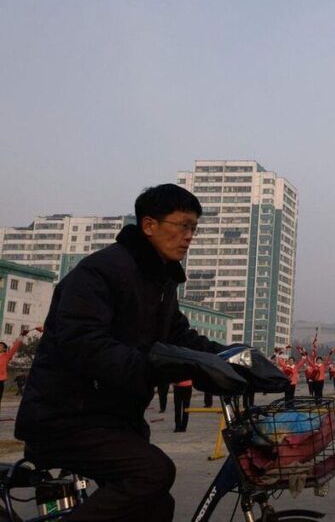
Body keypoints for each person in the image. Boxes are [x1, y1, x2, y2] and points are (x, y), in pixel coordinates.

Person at [15, 184, 227, 521]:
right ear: (149, 225)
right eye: (183, 225)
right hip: (65, 418)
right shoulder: (100, 272)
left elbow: (181, 336)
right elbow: (83, 343)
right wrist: (153, 366)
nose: (189, 236)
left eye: (194, 228)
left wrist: (233, 357)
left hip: (113, 419)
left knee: (156, 506)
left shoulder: (161, 283)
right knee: (153, 473)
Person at [0, 326, 33, 412]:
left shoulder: (6, 356)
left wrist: (21, 335)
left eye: (1, 346)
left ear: (4, 349)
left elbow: (15, 346)